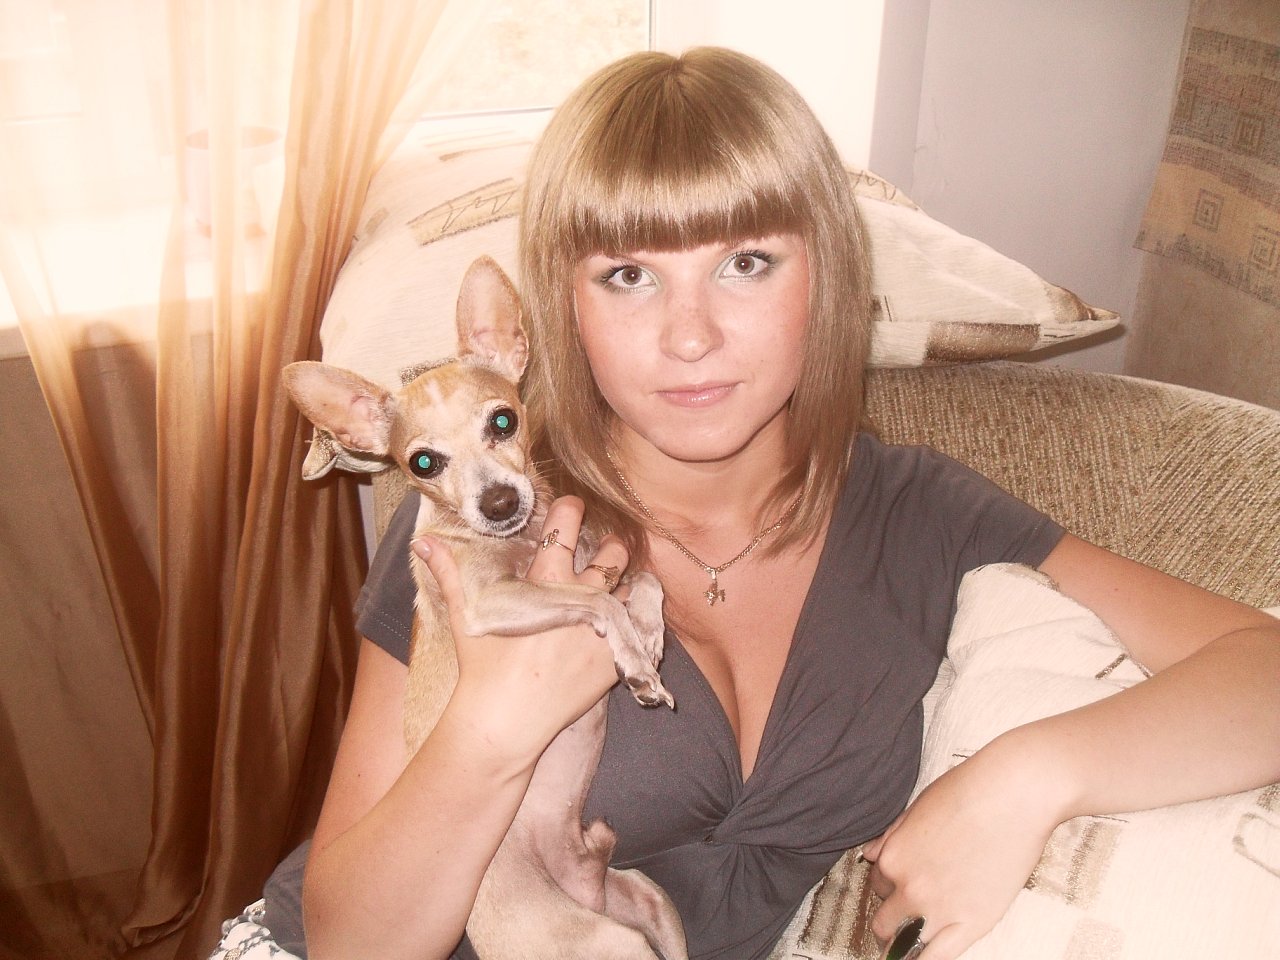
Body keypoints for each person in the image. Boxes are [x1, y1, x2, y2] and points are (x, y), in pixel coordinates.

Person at [294, 47, 1280, 960]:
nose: (690, 335)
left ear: (827, 274)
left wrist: (1029, 776)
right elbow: (348, 944)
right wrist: (491, 731)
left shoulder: (920, 514)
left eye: (745, 263)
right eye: (629, 276)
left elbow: (1261, 667)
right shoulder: (493, 523)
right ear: (564, 304)